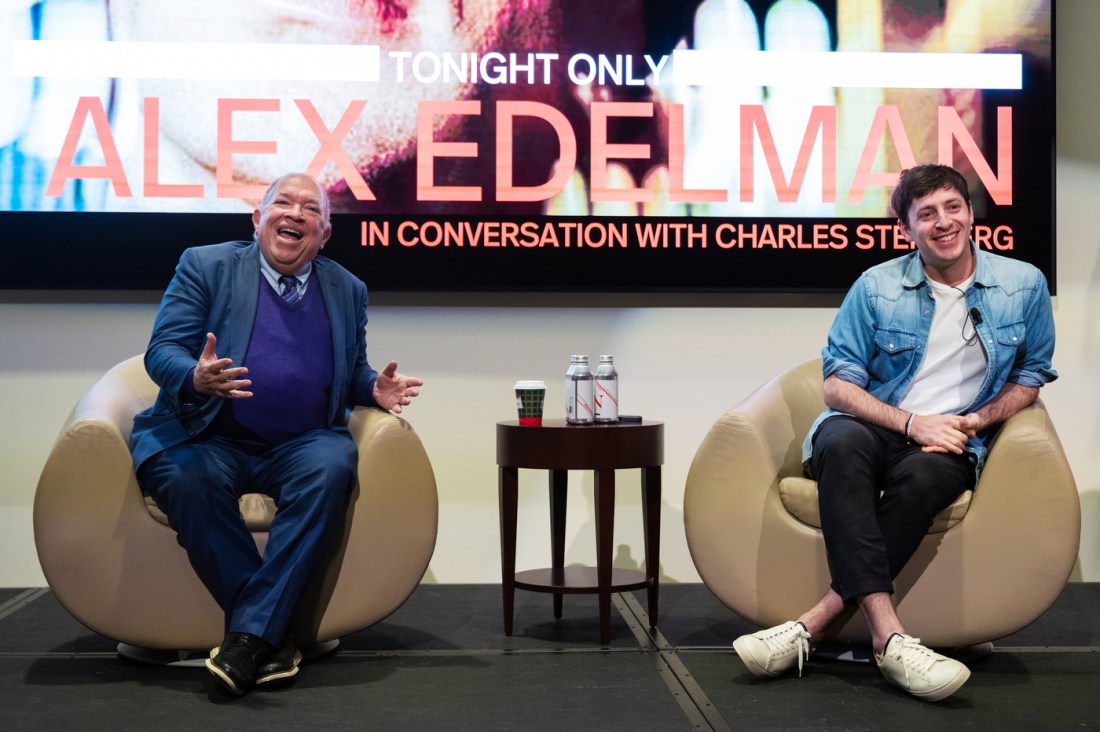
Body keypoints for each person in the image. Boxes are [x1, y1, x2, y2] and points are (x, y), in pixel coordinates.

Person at [731, 163, 1057, 702]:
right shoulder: (877, 285)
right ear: (906, 228)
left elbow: (1031, 377)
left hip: (952, 436)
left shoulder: (1023, 284)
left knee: (926, 478)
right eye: (926, 214)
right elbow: (837, 386)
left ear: (971, 213)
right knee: (841, 441)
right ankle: (889, 637)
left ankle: (812, 624)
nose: (943, 222)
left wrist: (974, 422)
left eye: (953, 207)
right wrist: (909, 421)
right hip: (878, 422)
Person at [129, 172, 423, 697]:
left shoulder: (347, 288)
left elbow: (350, 368)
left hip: (302, 443)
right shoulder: (206, 265)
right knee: (181, 473)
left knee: (334, 465)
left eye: (310, 209)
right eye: (282, 203)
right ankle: (271, 636)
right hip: (208, 437)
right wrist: (195, 378)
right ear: (257, 219)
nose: (294, 214)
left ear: (324, 233)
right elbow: (163, 350)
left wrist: (370, 387)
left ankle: (249, 637)